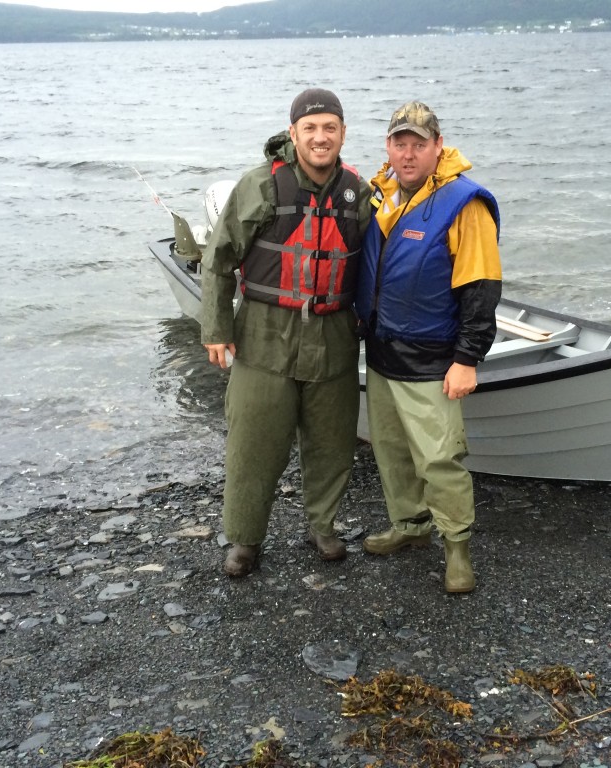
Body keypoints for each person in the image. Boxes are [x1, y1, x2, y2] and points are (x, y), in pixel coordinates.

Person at [199, 88, 371, 578]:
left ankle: (323, 527)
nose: (321, 137)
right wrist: (217, 328)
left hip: (334, 338)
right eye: (311, 128)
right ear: (293, 133)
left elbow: (373, 268)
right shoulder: (260, 187)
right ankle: (245, 539)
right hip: (263, 338)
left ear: (342, 133)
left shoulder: (357, 194)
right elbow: (219, 260)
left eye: (330, 128)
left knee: (332, 442)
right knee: (254, 444)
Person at [355, 101, 502, 593]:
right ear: (388, 147)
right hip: (381, 352)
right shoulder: (382, 195)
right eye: (400, 142)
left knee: (439, 459)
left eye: (420, 143)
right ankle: (410, 526)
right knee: (392, 451)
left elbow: (481, 288)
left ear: (439, 146)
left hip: (433, 358)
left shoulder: (466, 203)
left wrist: (467, 359)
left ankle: (456, 548)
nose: (409, 152)